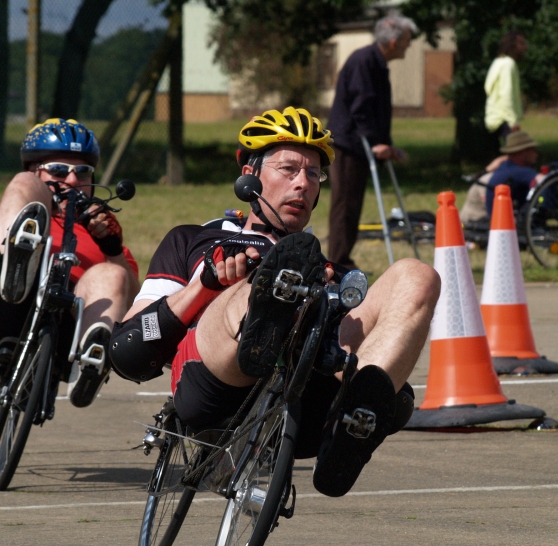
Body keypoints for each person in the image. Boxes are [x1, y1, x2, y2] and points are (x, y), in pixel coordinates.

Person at [109, 106, 440, 498]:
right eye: (288, 169)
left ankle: (357, 418)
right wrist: (207, 285)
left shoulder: (330, 269)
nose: (302, 183)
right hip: (215, 388)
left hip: (305, 405)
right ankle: (267, 305)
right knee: (260, 279)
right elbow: (129, 347)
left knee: (417, 275)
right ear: (249, 175)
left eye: (313, 174)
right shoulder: (194, 240)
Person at [0, 118, 140, 407]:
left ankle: (91, 361)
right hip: (9, 300)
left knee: (113, 274)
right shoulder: (11, 206)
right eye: (59, 170)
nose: (73, 181)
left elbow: (137, 307)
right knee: (24, 189)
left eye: (83, 172)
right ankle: (17, 260)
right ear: (34, 169)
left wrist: (112, 249)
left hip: (67, 327)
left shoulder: (104, 237)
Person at [326, 15, 417, 270]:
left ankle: (342, 259)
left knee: (353, 204)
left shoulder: (376, 62)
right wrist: (375, 142)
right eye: (407, 41)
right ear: (394, 42)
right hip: (348, 144)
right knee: (345, 205)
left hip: (359, 144)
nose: (408, 46)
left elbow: (377, 110)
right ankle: (337, 262)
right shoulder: (364, 61)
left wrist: (386, 143)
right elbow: (361, 105)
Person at [484, 30, 527, 150]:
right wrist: (512, 121)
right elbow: (506, 94)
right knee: (516, 154)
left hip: (494, 118)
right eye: (521, 43)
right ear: (512, 45)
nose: (525, 47)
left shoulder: (498, 62)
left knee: (504, 154)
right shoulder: (508, 64)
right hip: (504, 120)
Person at [485, 130, 540, 217]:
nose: (536, 155)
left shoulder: (505, 167)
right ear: (523, 152)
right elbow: (543, 181)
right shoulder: (520, 171)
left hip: (495, 219)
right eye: (533, 150)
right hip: (509, 222)